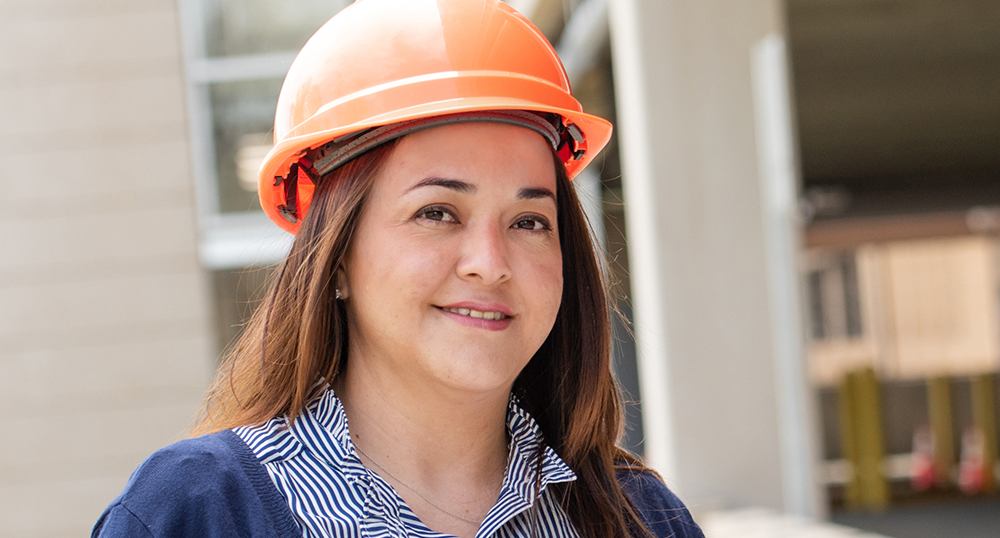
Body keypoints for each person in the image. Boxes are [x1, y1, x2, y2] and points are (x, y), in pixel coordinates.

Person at [92, 1, 705, 537]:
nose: (490, 264)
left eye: (528, 222)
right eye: (437, 212)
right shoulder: (195, 515)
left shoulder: (640, 519)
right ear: (333, 260)